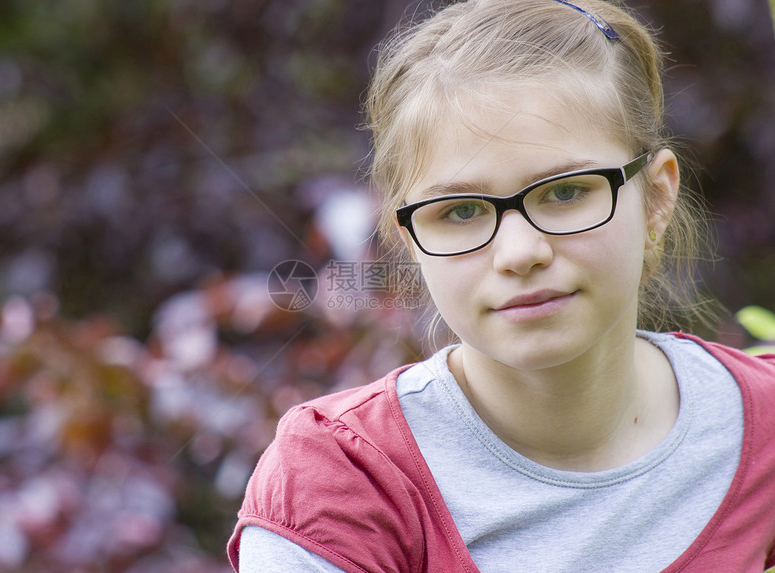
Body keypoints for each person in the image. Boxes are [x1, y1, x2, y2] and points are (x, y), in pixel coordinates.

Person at [228, 0, 775, 571]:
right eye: (461, 210)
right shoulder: (344, 481)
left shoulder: (761, 427)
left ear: (656, 198)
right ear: (409, 239)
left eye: (565, 192)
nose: (519, 254)